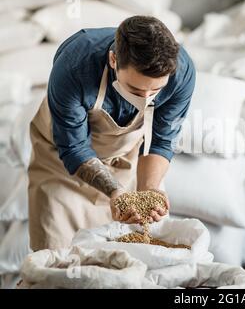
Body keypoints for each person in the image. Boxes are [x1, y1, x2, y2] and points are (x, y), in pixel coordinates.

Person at [27, 15, 195, 251]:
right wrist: (116, 192)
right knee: (57, 261)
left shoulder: (181, 71)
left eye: (156, 90)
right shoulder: (74, 65)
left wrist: (149, 190)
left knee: (131, 259)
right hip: (60, 167)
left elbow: (161, 139)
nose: (146, 99)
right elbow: (74, 147)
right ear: (113, 59)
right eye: (135, 89)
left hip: (127, 159)